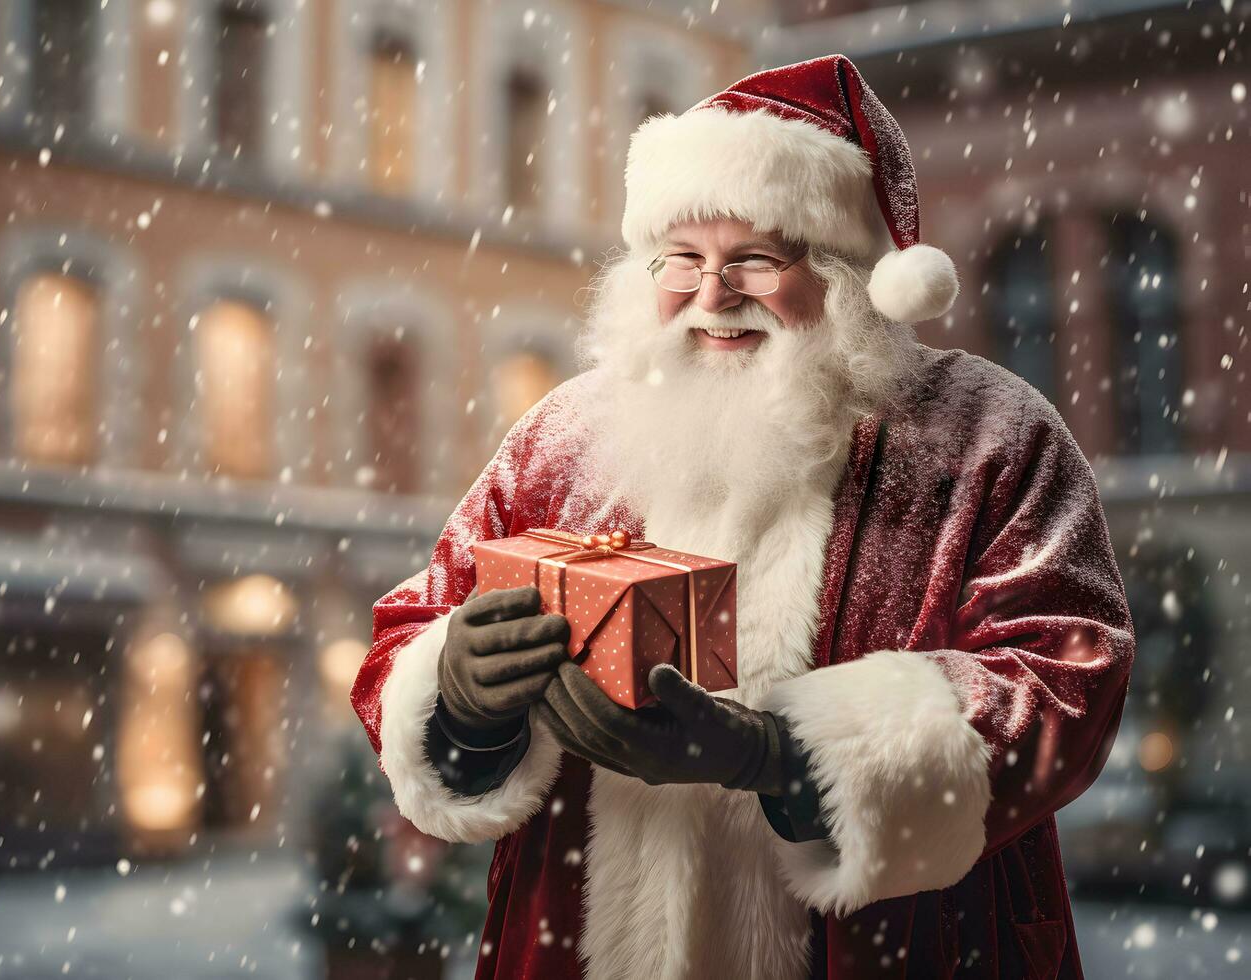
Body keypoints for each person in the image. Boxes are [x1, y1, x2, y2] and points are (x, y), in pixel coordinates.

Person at [350, 54, 1133, 979]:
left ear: (851, 277)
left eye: (757, 259)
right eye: (683, 259)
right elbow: (413, 626)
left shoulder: (985, 435)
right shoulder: (564, 434)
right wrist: (461, 696)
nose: (712, 296)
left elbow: (1065, 679)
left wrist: (775, 753)